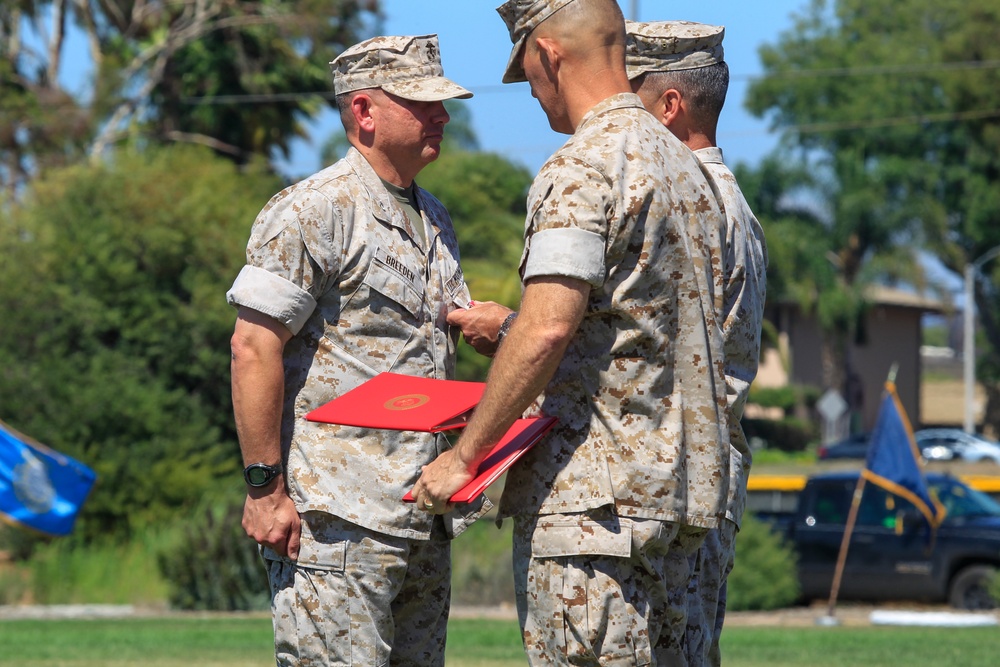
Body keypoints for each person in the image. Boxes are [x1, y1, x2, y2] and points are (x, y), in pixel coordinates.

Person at [412, 1, 731, 664]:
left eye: (524, 66)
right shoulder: (688, 172)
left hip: (592, 515)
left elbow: (548, 325)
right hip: (677, 510)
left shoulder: (582, 169)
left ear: (548, 53)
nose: (528, 88)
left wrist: (463, 458)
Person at [226, 34, 489, 666]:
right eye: (421, 104)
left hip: (420, 509)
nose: (442, 117)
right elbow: (253, 347)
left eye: (441, 104)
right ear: (364, 112)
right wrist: (264, 488)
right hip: (337, 517)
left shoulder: (435, 219)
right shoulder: (313, 210)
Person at [626, 20, 769, 666]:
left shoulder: (691, 200)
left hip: (681, 484)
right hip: (708, 479)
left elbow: (649, 346)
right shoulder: (732, 200)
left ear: (669, 105)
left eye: (628, 96)